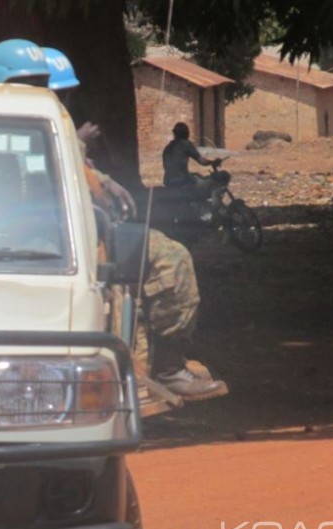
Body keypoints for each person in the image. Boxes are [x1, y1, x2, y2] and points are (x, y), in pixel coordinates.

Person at [28, 44, 226, 401]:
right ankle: (166, 369)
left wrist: (98, 174)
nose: (65, 102)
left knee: (159, 257)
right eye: (59, 94)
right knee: (172, 260)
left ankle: (152, 365)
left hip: (79, 234)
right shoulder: (27, 132)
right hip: (56, 244)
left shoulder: (45, 131)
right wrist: (77, 148)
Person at [162, 122, 225, 221]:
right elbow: (201, 161)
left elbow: (171, 167)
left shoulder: (168, 148)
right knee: (211, 185)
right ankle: (213, 213)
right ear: (187, 133)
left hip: (168, 181)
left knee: (197, 178)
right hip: (182, 181)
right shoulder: (185, 144)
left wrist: (192, 174)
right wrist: (213, 162)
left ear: (174, 133)